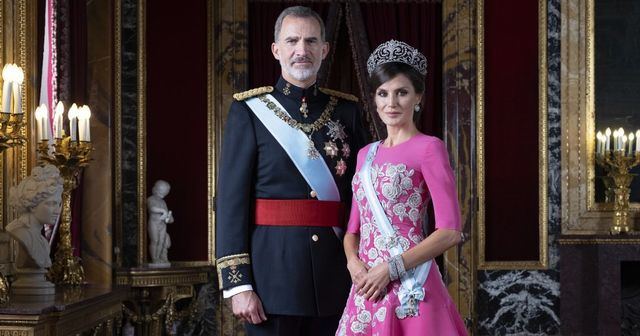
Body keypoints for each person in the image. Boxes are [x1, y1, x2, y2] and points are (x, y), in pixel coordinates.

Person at [216, 5, 367, 336]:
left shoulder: (348, 111)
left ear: (324, 50)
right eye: (293, 40)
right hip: (272, 284)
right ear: (276, 49)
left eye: (311, 41)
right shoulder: (249, 111)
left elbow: (363, 199)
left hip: (336, 279)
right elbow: (230, 203)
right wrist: (238, 285)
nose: (302, 50)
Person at [336, 40, 467, 335]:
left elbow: (450, 231)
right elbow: (353, 230)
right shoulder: (364, 155)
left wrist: (391, 269)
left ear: (418, 97)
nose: (391, 103)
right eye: (383, 94)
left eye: (402, 93)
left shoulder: (429, 148)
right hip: (368, 286)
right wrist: (353, 263)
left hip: (412, 284)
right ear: (374, 99)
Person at [6, 164, 63, 270]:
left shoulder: (43, 242)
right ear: (32, 205)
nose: (58, 210)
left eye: (59, 204)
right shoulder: (20, 232)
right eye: (51, 204)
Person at [147, 179, 174, 266]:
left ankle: (160, 258)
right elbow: (152, 208)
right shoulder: (151, 199)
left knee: (162, 241)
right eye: (162, 191)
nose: (163, 194)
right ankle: (155, 258)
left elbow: (168, 216)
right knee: (155, 240)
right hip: (154, 224)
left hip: (162, 225)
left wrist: (169, 218)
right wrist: (163, 211)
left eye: (165, 192)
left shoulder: (163, 202)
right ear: (156, 190)